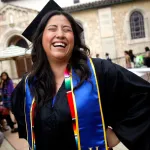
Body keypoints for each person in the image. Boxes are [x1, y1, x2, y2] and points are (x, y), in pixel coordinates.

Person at [11, 1, 150, 150]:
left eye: (67, 29)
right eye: (52, 29)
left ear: (74, 39)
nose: (60, 34)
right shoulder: (28, 84)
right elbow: (25, 124)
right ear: (41, 38)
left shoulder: (99, 72)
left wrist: (119, 132)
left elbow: (144, 95)